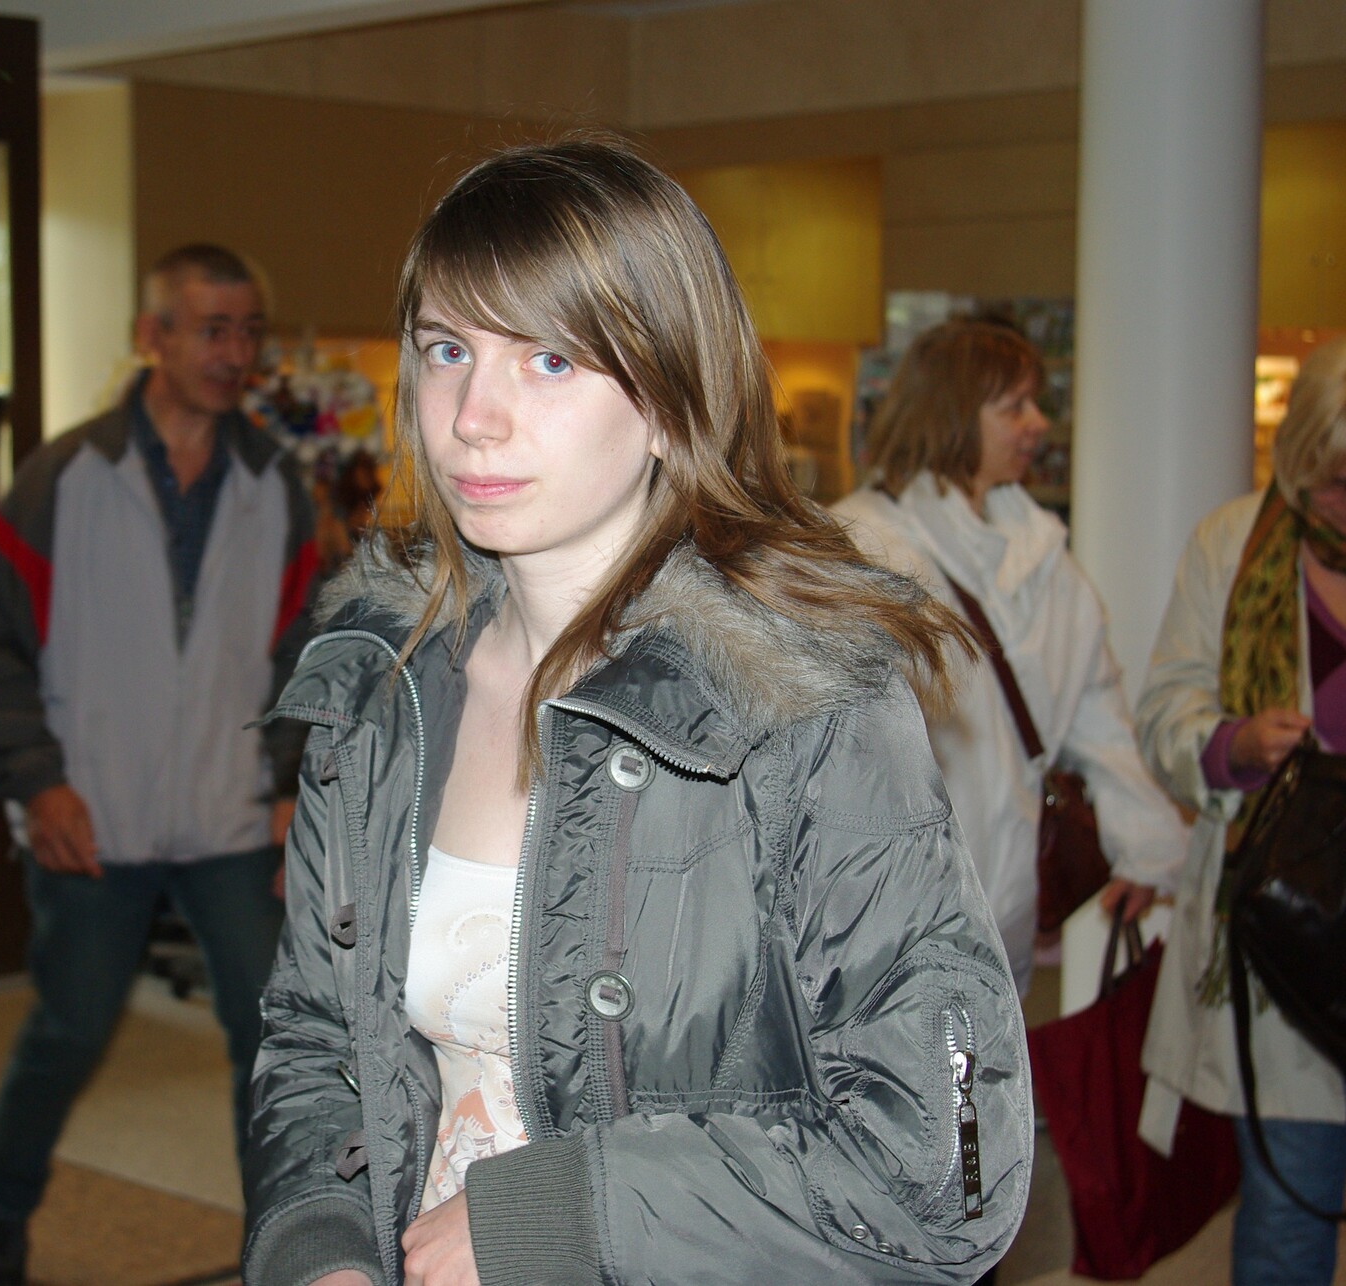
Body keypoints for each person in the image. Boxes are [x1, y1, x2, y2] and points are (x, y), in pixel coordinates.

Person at [243, 136, 1030, 1286]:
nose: (473, 416)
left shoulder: (806, 706)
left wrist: (562, 1212)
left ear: (669, 399)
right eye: (449, 350)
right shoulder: (379, 684)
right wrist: (322, 1242)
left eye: (549, 360)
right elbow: (317, 1038)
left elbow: (941, 1167)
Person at [0, 243, 317, 1285]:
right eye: (211, 329)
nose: (234, 352)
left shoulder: (275, 485)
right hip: (91, 809)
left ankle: (282, 1239)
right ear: (152, 336)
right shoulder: (63, 478)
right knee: (72, 1025)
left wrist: (292, 781)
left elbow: (303, 653)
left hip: (233, 812)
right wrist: (38, 779)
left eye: (248, 331)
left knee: (271, 1031)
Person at [1136, 333, 1346, 1286]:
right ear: (1294, 463)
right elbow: (1166, 710)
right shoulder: (1231, 543)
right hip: (1292, 922)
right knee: (1285, 1220)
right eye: (1332, 484)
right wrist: (1232, 745)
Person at [829, 320, 1186, 994]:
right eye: (1014, 406)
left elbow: (1097, 711)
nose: (1038, 424)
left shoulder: (1041, 557)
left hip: (1006, 907)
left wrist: (1146, 844)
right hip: (888, 923)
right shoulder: (861, 546)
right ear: (955, 412)